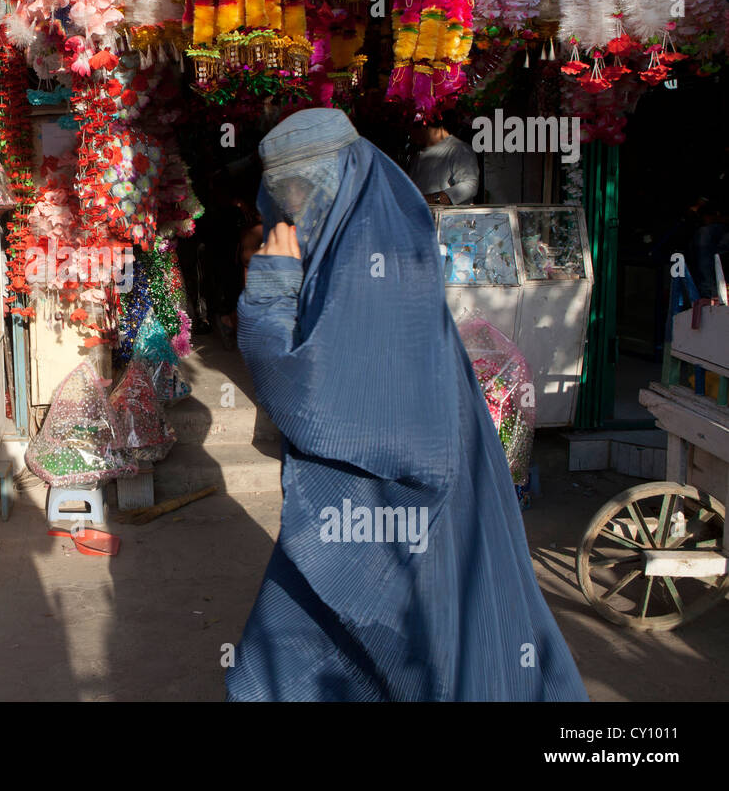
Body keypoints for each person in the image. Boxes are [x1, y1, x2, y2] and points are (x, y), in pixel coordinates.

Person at [227, 107, 587, 701]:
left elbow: (308, 401)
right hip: (396, 496)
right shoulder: (357, 245)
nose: (296, 211)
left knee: (391, 646)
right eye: (284, 194)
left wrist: (268, 297)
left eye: (309, 190)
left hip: (402, 501)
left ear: (351, 180)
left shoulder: (374, 266)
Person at [409, 116, 479, 205]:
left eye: (412, 128)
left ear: (424, 126)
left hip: (447, 218)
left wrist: (434, 199)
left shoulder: (459, 149)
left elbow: (470, 186)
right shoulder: (418, 155)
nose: (410, 133)